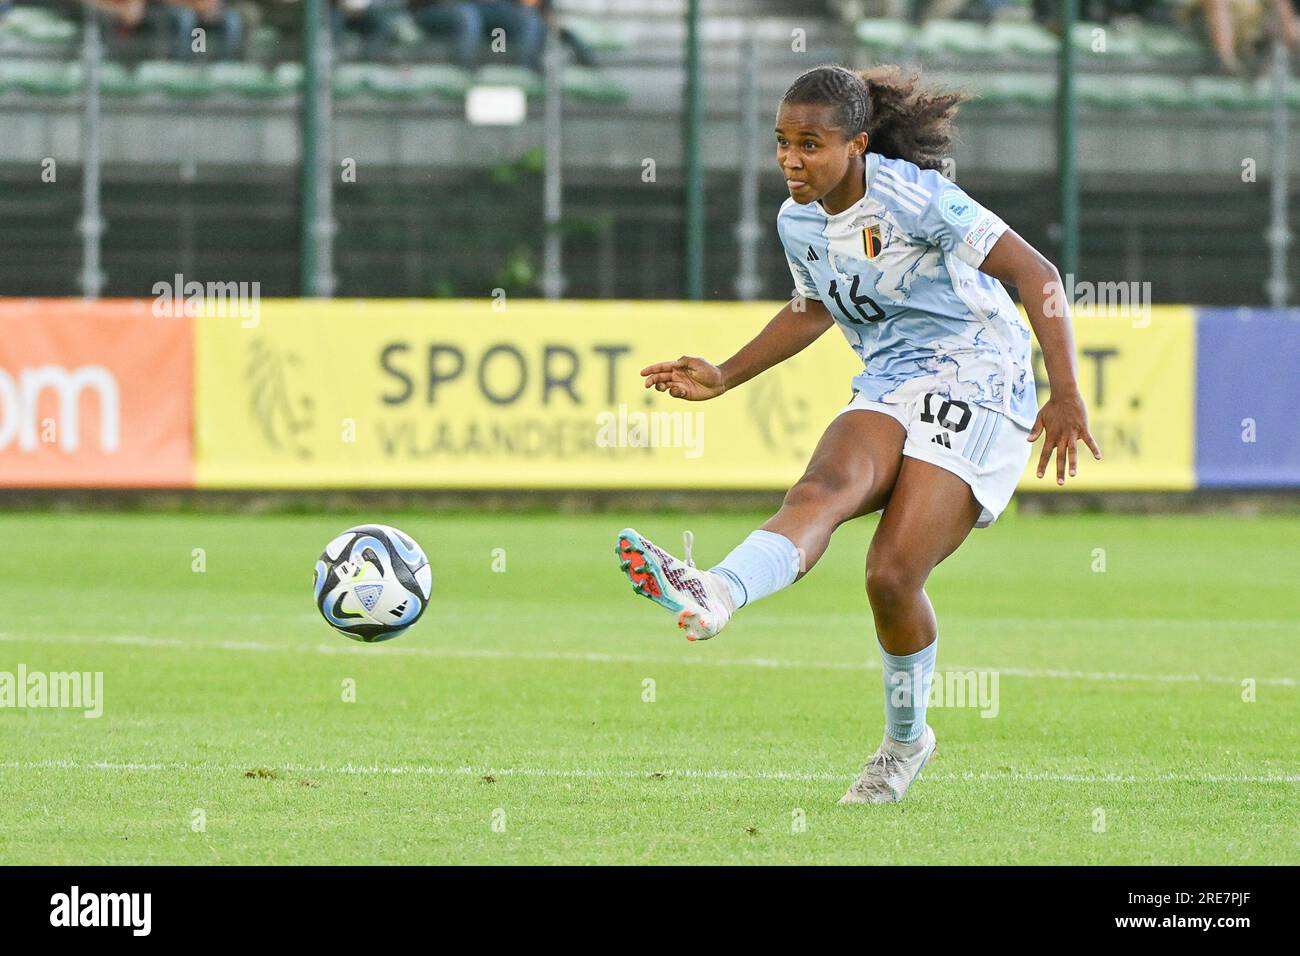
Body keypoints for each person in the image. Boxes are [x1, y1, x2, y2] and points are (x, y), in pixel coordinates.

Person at [615, 64, 1101, 805]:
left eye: (810, 143)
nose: (790, 159)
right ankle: (714, 591)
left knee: (890, 575)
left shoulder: (916, 198)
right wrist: (724, 374)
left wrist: (1064, 392)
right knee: (822, 490)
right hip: (891, 377)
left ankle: (906, 744)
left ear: (858, 145)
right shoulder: (796, 219)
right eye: (781, 142)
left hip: (979, 373)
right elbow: (816, 307)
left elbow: (1036, 274)